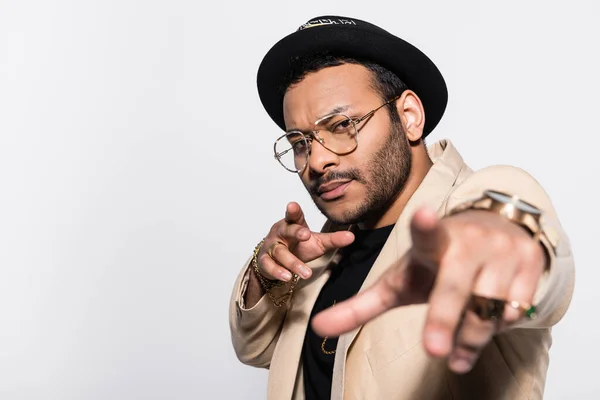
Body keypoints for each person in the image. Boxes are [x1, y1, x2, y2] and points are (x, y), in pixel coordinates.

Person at [228, 15, 575, 400]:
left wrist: (503, 251)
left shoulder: (474, 206)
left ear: (409, 117)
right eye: (300, 142)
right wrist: (266, 274)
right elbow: (255, 350)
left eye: (341, 125)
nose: (316, 161)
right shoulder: (319, 252)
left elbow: (531, 257)